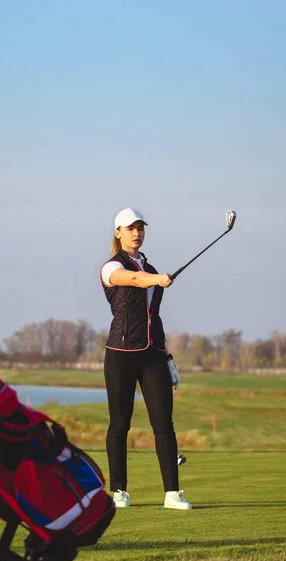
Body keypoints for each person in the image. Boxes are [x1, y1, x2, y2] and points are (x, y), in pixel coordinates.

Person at [100, 208, 192, 510]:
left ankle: (172, 494)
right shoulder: (111, 268)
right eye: (130, 228)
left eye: (140, 228)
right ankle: (119, 491)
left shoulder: (149, 267)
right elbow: (135, 280)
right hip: (120, 355)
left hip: (152, 354)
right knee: (119, 425)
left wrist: (167, 356)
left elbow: (154, 316)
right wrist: (156, 279)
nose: (136, 233)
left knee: (164, 424)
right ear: (118, 233)